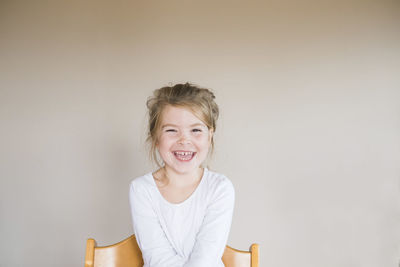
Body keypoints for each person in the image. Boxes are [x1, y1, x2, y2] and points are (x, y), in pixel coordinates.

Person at [129, 83, 235, 267]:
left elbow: (206, 258)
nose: (184, 140)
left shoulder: (220, 188)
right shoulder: (141, 189)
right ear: (155, 137)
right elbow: (157, 257)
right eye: (171, 130)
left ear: (209, 136)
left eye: (195, 130)